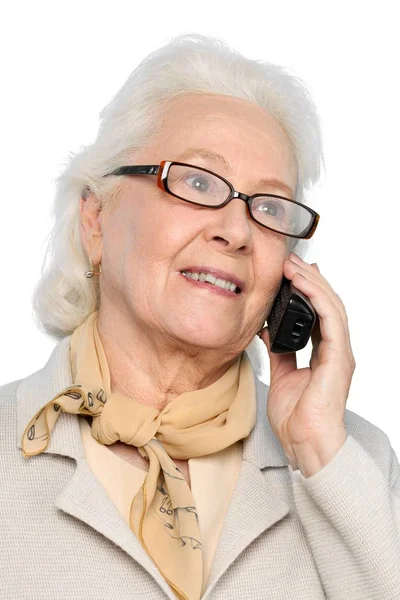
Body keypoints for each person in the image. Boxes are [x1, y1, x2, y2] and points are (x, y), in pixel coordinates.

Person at [0, 33, 399, 600]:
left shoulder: (352, 460)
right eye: (196, 181)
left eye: (268, 208)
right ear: (96, 219)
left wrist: (317, 451)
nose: (234, 230)